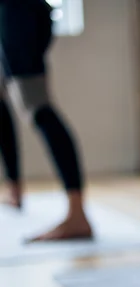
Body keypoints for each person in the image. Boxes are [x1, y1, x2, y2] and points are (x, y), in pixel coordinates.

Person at [0, 0, 92, 241]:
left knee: (38, 109)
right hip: (14, 13)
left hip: (18, 14)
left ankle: (77, 214)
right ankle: (15, 190)